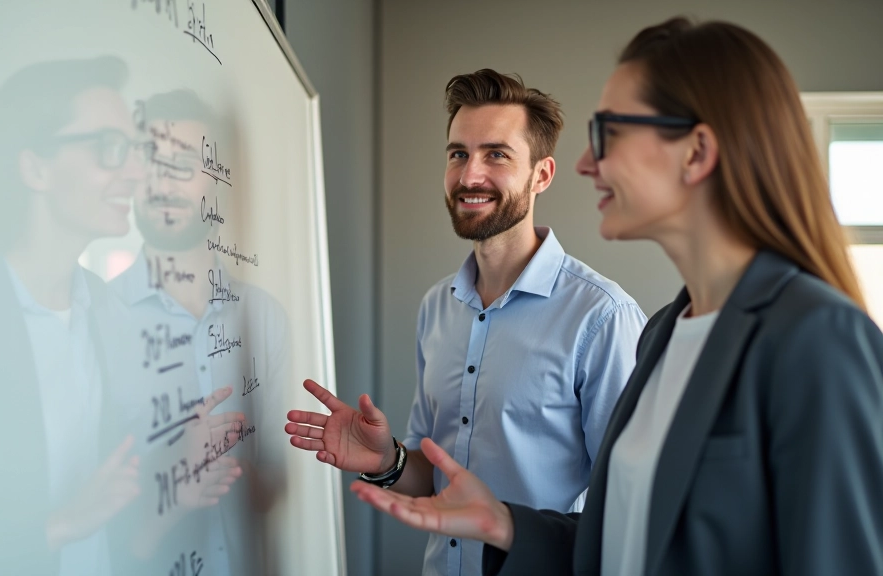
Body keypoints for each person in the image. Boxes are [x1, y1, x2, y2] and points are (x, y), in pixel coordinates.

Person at [350, 17, 883, 576]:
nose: (586, 163)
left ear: (695, 152)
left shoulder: (817, 337)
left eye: (611, 133)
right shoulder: (663, 333)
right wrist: (505, 525)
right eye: (457, 153)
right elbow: (625, 543)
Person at [286, 70, 647, 575]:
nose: (470, 175)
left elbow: (635, 512)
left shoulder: (602, 317)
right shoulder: (437, 306)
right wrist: (386, 461)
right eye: (458, 154)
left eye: (496, 154)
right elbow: (435, 477)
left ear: (541, 175)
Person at [0, 57, 233, 576]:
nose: (136, 172)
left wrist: (173, 489)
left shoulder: (109, 316)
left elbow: (121, 541)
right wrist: (59, 525)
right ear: (35, 167)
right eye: (110, 149)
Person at [106, 88, 289, 576]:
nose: (161, 182)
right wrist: (170, 480)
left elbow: (282, 483)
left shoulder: (265, 318)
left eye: (183, 164)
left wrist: (240, 473)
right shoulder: (98, 319)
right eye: (150, 161)